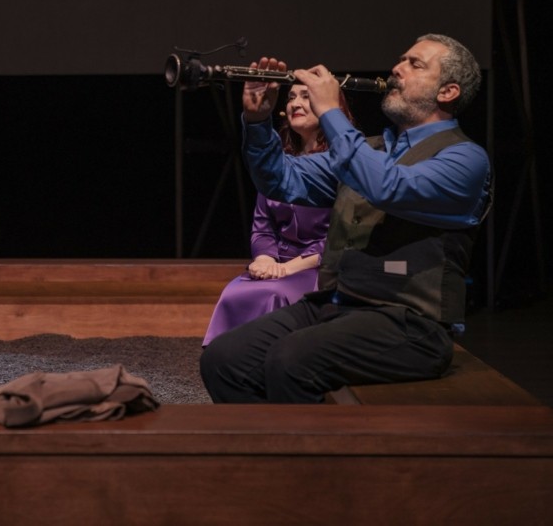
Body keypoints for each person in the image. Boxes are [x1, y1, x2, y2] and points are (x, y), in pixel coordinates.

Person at [200, 33, 492, 404]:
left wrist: (330, 112)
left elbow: (388, 187)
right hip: (338, 305)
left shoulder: (465, 159)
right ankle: (272, 442)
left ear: (447, 92)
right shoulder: (368, 148)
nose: (397, 69)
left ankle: (307, 443)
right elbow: (278, 179)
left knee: (290, 360)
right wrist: (257, 120)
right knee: (224, 359)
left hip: (411, 324)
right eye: (401, 59)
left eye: (414, 64)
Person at [201, 83, 355, 347]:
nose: (295, 103)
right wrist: (264, 258)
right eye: (291, 97)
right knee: (234, 292)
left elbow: (342, 236)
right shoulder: (279, 165)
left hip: (320, 268)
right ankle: (228, 363)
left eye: (306, 97)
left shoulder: (344, 164)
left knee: (274, 293)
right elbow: (262, 226)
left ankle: (270, 362)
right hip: (276, 264)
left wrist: (288, 268)